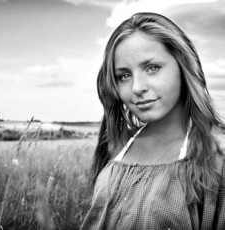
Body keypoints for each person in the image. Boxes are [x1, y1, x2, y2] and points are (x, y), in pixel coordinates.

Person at [80, 12, 225, 230]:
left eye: (152, 68)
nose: (137, 87)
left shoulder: (216, 157)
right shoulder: (115, 148)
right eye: (124, 76)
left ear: (183, 66)